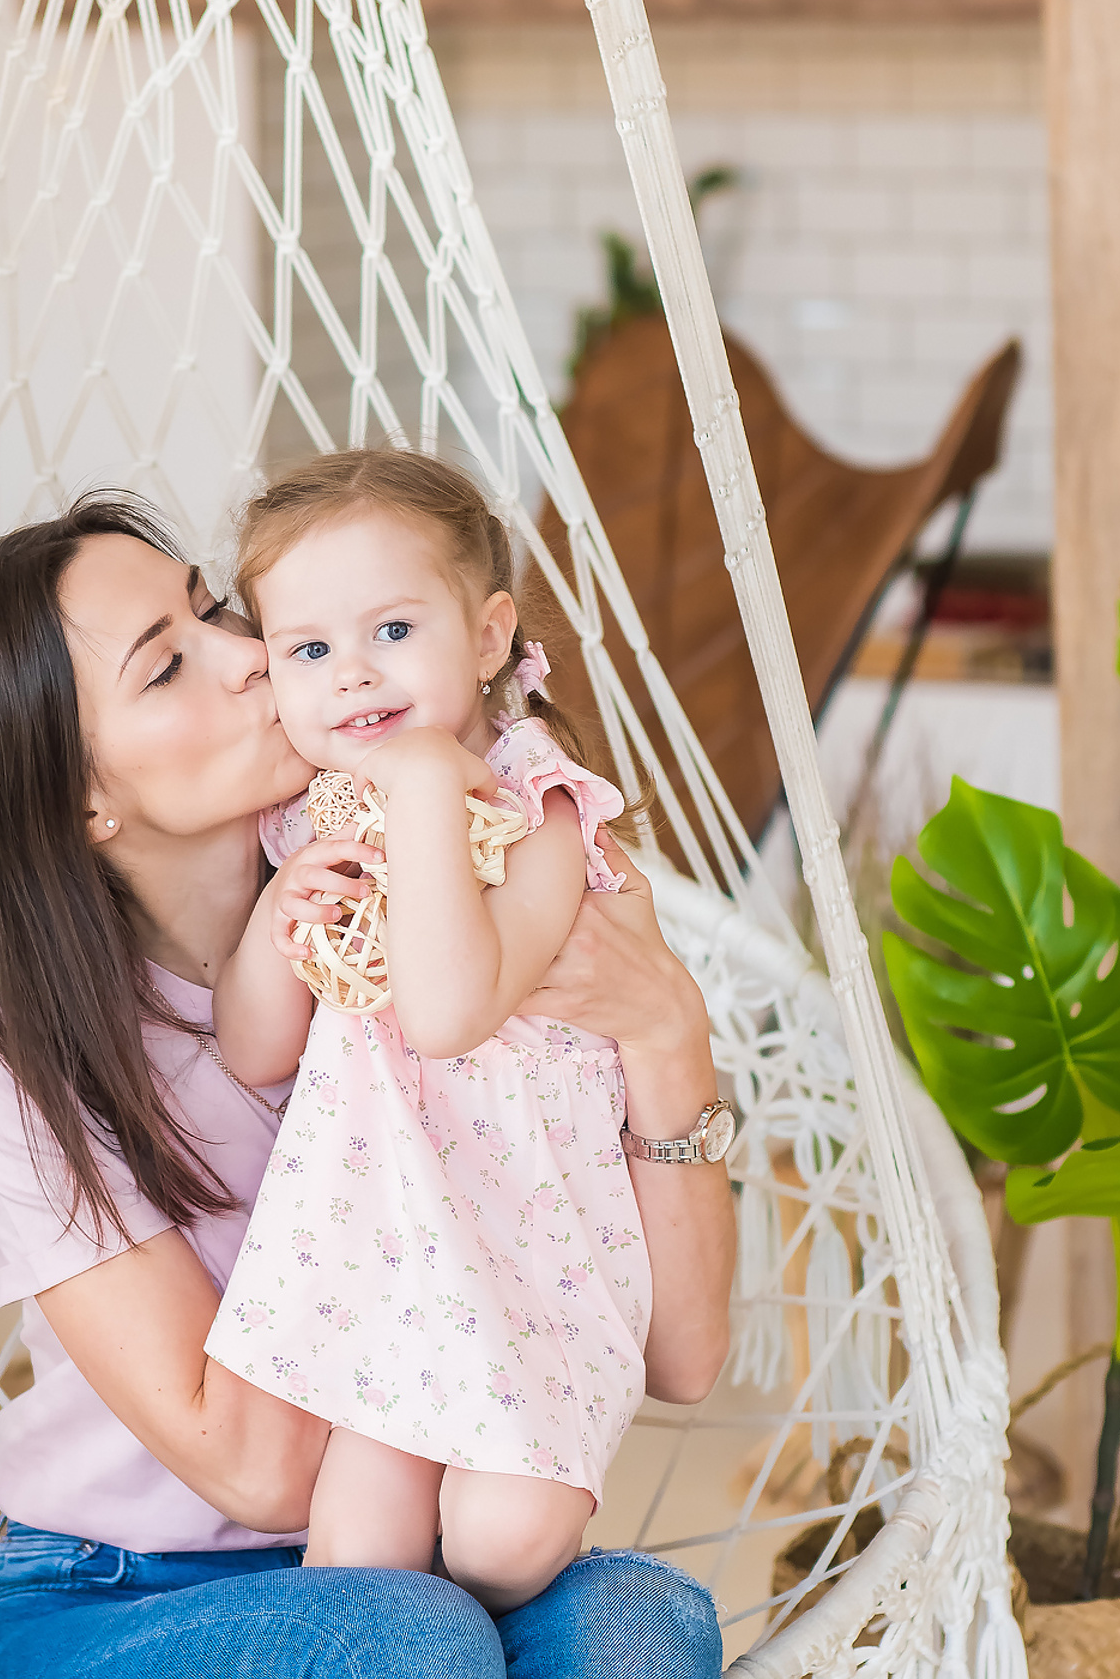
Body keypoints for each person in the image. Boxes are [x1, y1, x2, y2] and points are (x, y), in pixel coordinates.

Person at [0, 490, 735, 1679]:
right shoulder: (24, 1064)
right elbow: (265, 1469)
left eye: (217, 610)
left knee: (641, 1625)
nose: (253, 657)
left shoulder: (472, 916)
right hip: (114, 1598)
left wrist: (668, 1034)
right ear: (84, 800)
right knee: (401, 1634)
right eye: (168, 667)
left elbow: (682, 1359)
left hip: (407, 1558)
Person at [205, 450, 720, 1612]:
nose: (353, 677)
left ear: (489, 639)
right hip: (390, 1243)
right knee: (359, 1555)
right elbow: (255, 1050)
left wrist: (428, 787)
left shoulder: (534, 804)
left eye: (393, 630)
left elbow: (447, 1012)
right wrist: (276, 922)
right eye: (310, 650)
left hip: (534, 1241)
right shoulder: (313, 818)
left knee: (503, 1536)